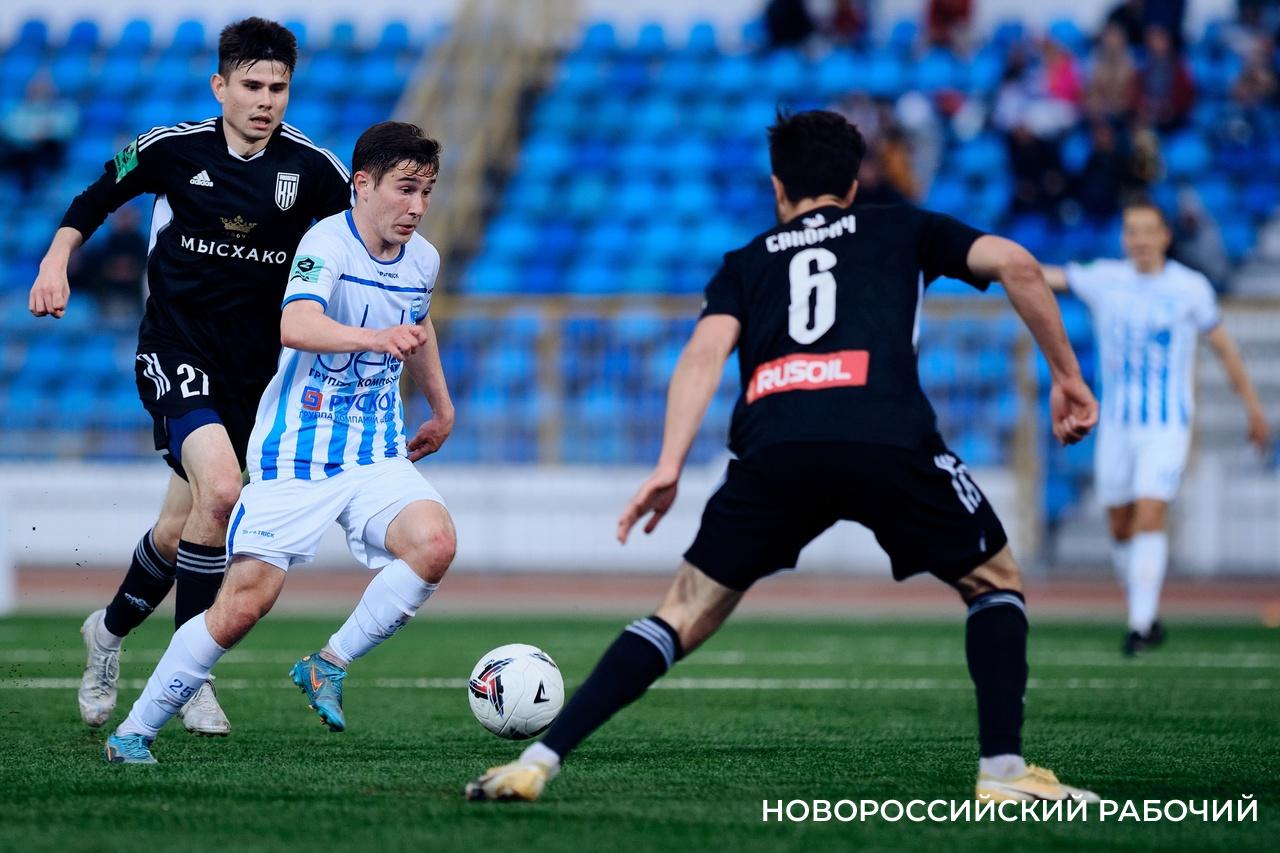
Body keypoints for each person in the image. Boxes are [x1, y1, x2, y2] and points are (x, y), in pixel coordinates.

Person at [466, 110, 1101, 803]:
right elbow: (1017, 262)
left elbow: (704, 353)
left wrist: (670, 462)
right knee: (993, 578)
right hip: (884, 434)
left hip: (776, 446)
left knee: (681, 612)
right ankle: (1003, 773)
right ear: (854, 185)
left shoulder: (749, 260)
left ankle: (539, 759)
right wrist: (1067, 376)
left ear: (778, 187)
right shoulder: (903, 225)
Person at [28, 17, 353, 736]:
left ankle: (106, 634)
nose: (266, 99)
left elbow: (357, 246)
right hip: (174, 345)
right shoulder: (173, 148)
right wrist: (55, 263)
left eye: (278, 87)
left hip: (255, 373)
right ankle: (190, 671)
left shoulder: (315, 171)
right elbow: (92, 200)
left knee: (184, 531)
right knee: (226, 492)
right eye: (252, 85)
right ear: (221, 86)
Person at [103, 121, 455, 764]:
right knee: (243, 606)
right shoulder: (327, 241)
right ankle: (135, 729)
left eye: (427, 191)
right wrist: (374, 341)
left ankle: (329, 663)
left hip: (374, 451)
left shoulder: (423, 258)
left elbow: (419, 322)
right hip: (296, 454)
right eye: (405, 190)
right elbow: (296, 323)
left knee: (434, 544)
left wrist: (441, 403)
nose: (417, 207)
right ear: (363, 185)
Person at [1041, 200, 1269, 655]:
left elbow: (1223, 347)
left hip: (1167, 426)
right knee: (1120, 524)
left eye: (1148, 231)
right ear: (1124, 238)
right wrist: (983, 259)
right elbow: (1045, 275)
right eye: (1131, 231)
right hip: (1116, 427)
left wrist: (1252, 407)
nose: (1140, 239)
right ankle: (1144, 610)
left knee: (1150, 511)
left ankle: (1140, 624)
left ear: (1165, 236)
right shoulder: (1104, 278)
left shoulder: (1191, 288)